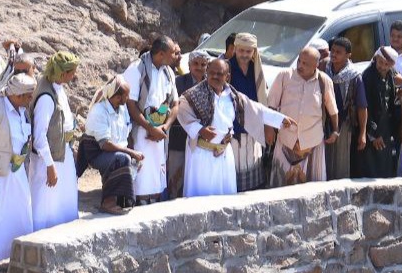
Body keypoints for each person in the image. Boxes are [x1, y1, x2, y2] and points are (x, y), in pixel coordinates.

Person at [178, 58, 293, 198]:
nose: (215, 76)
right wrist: (200, 130)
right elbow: (182, 112)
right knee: (201, 196)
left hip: (224, 153)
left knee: (224, 196)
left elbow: (256, 110)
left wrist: (280, 119)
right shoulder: (193, 95)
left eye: (219, 74)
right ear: (207, 72)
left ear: (227, 76)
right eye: (212, 73)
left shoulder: (233, 96)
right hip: (201, 154)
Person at [0, 73, 36, 264]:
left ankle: (18, 260)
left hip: (17, 173)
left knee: (21, 215)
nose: (31, 99)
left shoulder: (22, 110)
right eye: (28, 95)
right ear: (18, 95)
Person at [265, 47, 338, 187]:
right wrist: (269, 128)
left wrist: (335, 130)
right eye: (299, 61)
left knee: (312, 189)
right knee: (280, 187)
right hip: (286, 139)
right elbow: (271, 105)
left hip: (312, 142)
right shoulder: (284, 76)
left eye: (305, 64)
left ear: (316, 65)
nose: (300, 65)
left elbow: (332, 110)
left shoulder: (324, 81)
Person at [122, 36, 178, 204]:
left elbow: (174, 104)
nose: (176, 56)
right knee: (141, 172)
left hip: (160, 133)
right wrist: (150, 128)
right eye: (172, 53)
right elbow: (130, 105)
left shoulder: (168, 73)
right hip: (140, 131)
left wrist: (164, 127)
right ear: (161, 54)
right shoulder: (136, 69)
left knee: (156, 174)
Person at [29, 51, 81, 231]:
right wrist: (50, 166)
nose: (74, 76)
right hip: (49, 159)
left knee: (62, 200)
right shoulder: (46, 97)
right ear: (63, 73)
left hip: (62, 152)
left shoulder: (57, 86)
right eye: (72, 72)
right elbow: (39, 136)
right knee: (46, 203)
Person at [77, 76, 143, 214]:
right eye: (126, 95)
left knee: (131, 160)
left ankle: (121, 202)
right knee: (122, 158)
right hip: (97, 153)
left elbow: (126, 133)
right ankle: (108, 203)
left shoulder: (122, 109)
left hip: (115, 150)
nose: (128, 98)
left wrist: (133, 153)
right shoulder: (99, 111)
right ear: (118, 97)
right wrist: (130, 152)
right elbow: (105, 144)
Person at [353, 47, 401, 179]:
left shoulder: (391, 73)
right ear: (376, 59)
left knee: (385, 166)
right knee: (371, 167)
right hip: (372, 129)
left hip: (386, 128)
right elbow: (365, 107)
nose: (383, 67)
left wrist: (400, 94)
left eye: (387, 64)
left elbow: (391, 99)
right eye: (381, 62)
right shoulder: (368, 76)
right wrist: (374, 134)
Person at [228, 32, 268, 192]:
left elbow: (263, 96)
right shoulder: (227, 67)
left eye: (248, 51)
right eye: (241, 50)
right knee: (234, 170)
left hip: (254, 126)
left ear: (254, 52)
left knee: (253, 168)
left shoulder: (256, 69)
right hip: (233, 127)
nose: (244, 54)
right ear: (235, 49)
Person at [166, 50, 208, 198]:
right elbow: (166, 104)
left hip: (201, 141)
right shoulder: (178, 82)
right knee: (175, 176)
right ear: (189, 65)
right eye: (195, 63)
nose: (199, 67)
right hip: (179, 137)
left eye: (203, 64)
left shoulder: (210, 84)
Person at [325, 37, 367, 180]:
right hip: (323, 122)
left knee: (340, 164)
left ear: (348, 55)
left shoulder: (354, 76)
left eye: (338, 52)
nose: (334, 54)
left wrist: (362, 133)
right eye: (332, 51)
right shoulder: (324, 69)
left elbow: (362, 106)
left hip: (344, 125)